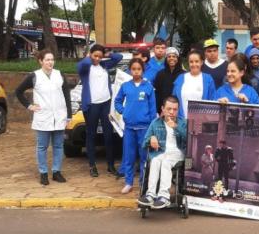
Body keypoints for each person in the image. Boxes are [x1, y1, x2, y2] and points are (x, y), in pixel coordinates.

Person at [15, 49, 72, 185]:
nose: (50, 62)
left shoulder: (60, 75)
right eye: (47, 59)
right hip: (43, 117)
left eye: (52, 59)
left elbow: (67, 95)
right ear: (41, 61)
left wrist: (68, 115)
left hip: (59, 116)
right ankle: (43, 173)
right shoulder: (34, 76)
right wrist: (29, 106)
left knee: (58, 146)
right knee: (42, 146)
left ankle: (57, 172)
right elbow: (19, 91)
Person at [77, 44, 123, 177]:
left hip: (106, 104)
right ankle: (92, 166)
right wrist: (88, 57)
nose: (97, 58)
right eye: (95, 56)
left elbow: (118, 57)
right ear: (90, 54)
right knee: (91, 135)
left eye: (99, 56)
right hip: (91, 105)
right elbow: (80, 65)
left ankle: (110, 165)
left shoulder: (104, 65)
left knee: (108, 135)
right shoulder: (86, 67)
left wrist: (107, 55)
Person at [115, 58, 157, 194]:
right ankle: (128, 182)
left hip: (144, 129)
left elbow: (152, 108)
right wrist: (123, 111)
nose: (136, 71)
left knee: (144, 157)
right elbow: (117, 101)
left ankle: (143, 183)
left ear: (143, 71)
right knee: (128, 156)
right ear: (130, 70)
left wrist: (152, 127)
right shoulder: (125, 86)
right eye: (134, 69)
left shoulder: (148, 87)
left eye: (139, 69)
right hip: (129, 128)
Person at [138, 96, 188, 210]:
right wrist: (151, 139)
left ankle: (164, 196)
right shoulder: (155, 123)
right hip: (160, 152)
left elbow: (189, 140)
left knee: (165, 162)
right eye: (169, 109)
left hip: (177, 153)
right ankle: (150, 194)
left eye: (175, 109)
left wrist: (176, 127)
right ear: (163, 109)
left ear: (178, 110)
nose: (171, 112)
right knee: (155, 160)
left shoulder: (183, 123)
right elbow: (144, 143)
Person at [172, 49, 217, 118]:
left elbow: (213, 101)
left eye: (196, 61)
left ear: (201, 62)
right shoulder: (180, 78)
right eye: (191, 62)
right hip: (181, 121)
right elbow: (173, 99)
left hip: (201, 122)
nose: (194, 64)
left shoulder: (208, 79)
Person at [153, 47, 185, 113]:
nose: (171, 58)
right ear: (166, 59)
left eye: (174, 56)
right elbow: (157, 94)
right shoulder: (160, 74)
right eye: (169, 56)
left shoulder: (184, 75)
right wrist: (159, 110)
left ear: (178, 59)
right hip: (164, 111)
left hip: (179, 110)